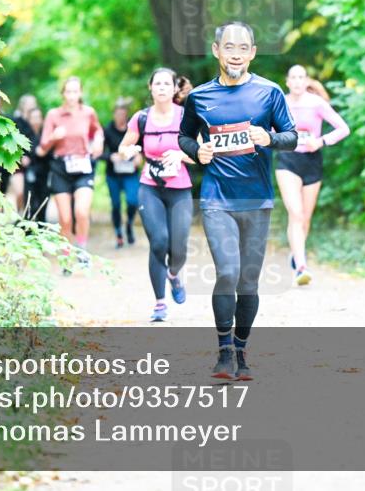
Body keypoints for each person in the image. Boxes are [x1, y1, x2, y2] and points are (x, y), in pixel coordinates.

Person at [178, 21, 297, 381]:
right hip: (217, 199)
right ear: (216, 50)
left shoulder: (270, 92)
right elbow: (184, 137)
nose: (236, 54)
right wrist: (198, 150)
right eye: (229, 47)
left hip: (257, 199)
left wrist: (270, 139)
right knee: (227, 272)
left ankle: (242, 350)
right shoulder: (200, 97)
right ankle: (224, 351)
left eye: (243, 48)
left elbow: (291, 136)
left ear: (253, 53)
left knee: (248, 281)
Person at [118, 69, 194, 322]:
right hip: (150, 188)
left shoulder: (186, 116)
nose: (162, 87)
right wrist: (129, 151)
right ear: (150, 88)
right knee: (159, 241)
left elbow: (203, 152)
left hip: (180, 188)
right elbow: (123, 147)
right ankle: (160, 303)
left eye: (166, 83)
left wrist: (182, 155)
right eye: (157, 83)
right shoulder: (140, 118)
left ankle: (174, 274)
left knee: (179, 247)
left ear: (174, 89)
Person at [277, 65, 350, 286]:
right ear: (288, 82)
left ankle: (296, 252)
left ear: (306, 81)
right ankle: (301, 267)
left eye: (301, 77)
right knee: (296, 214)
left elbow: (343, 128)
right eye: (293, 78)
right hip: (287, 161)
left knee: (305, 218)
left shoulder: (316, 103)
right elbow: (267, 129)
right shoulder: (281, 103)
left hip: (312, 162)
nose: (298, 82)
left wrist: (320, 141)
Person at [36, 77, 103, 269]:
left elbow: (97, 131)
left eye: (75, 92)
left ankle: (82, 250)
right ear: (63, 94)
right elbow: (42, 147)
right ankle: (66, 255)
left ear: (80, 93)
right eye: (68, 92)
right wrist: (53, 137)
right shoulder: (54, 115)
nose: (72, 96)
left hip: (83, 167)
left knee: (81, 212)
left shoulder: (88, 113)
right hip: (61, 168)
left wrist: (98, 141)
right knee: (65, 219)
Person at [103, 98, 141, 248]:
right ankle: (119, 233)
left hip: (130, 172)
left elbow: (142, 147)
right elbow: (99, 153)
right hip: (113, 174)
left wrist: (139, 156)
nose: (121, 117)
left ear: (127, 115)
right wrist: (110, 157)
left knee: (133, 201)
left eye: (123, 114)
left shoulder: (133, 129)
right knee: (116, 204)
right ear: (114, 115)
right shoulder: (107, 130)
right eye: (118, 114)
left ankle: (129, 225)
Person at [19, 105, 50, 224]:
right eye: (33, 118)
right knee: (30, 202)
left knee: (43, 201)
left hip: (45, 172)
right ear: (29, 119)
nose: (36, 120)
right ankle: (28, 229)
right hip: (30, 172)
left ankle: (42, 228)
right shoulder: (24, 134)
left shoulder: (47, 134)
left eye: (38, 117)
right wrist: (22, 158)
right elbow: (18, 152)